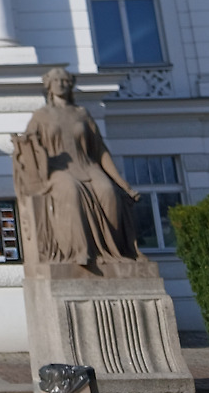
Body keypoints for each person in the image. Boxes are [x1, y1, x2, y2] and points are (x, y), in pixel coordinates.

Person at [12, 67, 142, 266]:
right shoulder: (41, 116)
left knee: (107, 192)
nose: (61, 84)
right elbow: (29, 149)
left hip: (87, 166)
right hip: (57, 169)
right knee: (71, 191)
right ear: (49, 85)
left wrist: (121, 182)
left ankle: (114, 252)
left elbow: (100, 150)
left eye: (65, 80)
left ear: (71, 84)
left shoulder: (82, 114)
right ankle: (78, 251)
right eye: (56, 80)